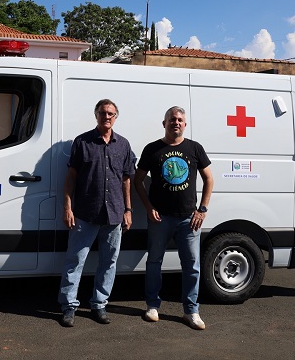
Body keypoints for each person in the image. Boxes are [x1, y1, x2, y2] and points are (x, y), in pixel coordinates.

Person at [133, 106, 214, 330]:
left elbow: (209, 179)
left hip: (189, 219)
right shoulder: (152, 149)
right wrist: (148, 207)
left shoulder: (195, 148)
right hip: (160, 218)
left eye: (179, 120)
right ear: (164, 123)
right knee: (154, 262)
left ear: (184, 125)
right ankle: (152, 306)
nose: (175, 123)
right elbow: (137, 180)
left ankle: (191, 311)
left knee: (192, 266)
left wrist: (202, 210)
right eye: (172, 119)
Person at [58, 99, 135, 327]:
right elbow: (71, 177)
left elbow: (126, 180)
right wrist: (67, 207)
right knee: (75, 260)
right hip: (85, 212)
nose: (107, 116)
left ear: (116, 117)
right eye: (103, 113)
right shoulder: (82, 142)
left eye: (111, 113)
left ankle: (99, 304)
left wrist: (128, 209)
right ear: (96, 115)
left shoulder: (123, 144)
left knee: (108, 262)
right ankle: (68, 306)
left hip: (114, 213)